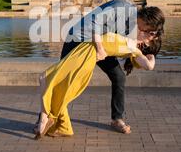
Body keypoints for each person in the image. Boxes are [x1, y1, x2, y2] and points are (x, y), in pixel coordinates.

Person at [59, 0, 165, 134]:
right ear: (146, 21)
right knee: (63, 79)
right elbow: (94, 22)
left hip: (101, 45)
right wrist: (99, 49)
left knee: (119, 77)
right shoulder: (121, 7)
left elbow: (118, 44)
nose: (146, 34)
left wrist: (144, 54)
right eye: (149, 31)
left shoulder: (134, 26)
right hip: (78, 40)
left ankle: (117, 119)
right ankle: (46, 117)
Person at [34, 31, 162, 139]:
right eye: (149, 34)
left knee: (48, 79)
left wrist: (151, 56)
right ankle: (63, 126)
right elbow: (96, 29)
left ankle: (45, 120)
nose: (146, 34)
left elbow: (149, 66)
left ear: (144, 46)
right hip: (82, 49)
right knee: (56, 84)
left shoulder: (134, 51)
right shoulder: (127, 36)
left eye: (149, 38)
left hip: (85, 55)